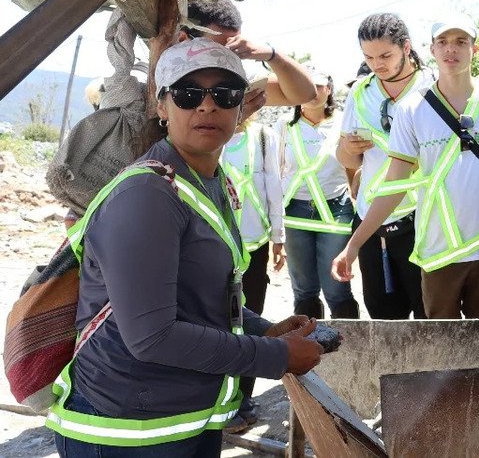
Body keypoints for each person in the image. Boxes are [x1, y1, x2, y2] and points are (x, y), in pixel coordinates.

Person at [46, 40, 322, 456]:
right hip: (125, 432)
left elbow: (200, 297)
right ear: (162, 106)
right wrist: (275, 355)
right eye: (188, 93)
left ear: (240, 107)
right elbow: (152, 337)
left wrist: (263, 328)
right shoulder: (148, 194)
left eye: (225, 95)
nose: (207, 106)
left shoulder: (209, 182)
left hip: (179, 420)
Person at [333, 16, 479, 319]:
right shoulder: (411, 109)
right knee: (440, 349)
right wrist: (353, 246)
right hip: (436, 254)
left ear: (476, 49)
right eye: (442, 42)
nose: (450, 50)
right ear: (431, 49)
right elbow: (393, 186)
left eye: (460, 42)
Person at [336, 14, 435, 320]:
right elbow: (347, 160)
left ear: (406, 47)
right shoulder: (361, 92)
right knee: (382, 319)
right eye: (368, 57)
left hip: (422, 219)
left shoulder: (433, 87)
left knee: (428, 315)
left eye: (385, 56)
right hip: (370, 224)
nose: (376, 64)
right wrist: (349, 150)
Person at [219, 113, 286, 433]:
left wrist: (278, 237)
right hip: (214, 246)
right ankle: (218, 401)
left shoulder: (262, 137)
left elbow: (273, 184)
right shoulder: (208, 133)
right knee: (216, 323)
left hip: (254, 246)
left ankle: (243, 398)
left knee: (250, 320)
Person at [278, 69, 358, 320]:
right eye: (307, 86)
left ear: (329, 90)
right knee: (303, 289)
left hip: (335, 210)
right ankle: (309, 346)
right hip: (294, 211)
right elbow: (277, 168)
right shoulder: (284, 125)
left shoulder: (344, 121)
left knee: (337, 287)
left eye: (319, 86)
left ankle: (348, 348)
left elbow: (353, 166)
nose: (313, 92)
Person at [184, 0, 317, 115]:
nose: (225, 63)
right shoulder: (165, 78)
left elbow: (305, 94)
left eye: (233, 52)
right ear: (183, 40)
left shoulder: (235, 81)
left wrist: (271, 55)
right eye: (216, 52)